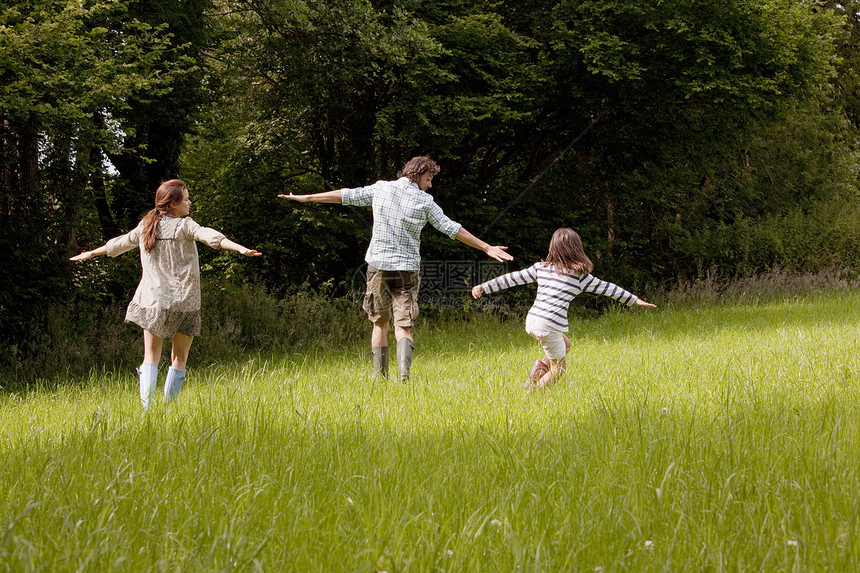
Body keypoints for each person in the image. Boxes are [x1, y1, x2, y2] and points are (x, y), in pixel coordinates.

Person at [279, 155, 513, 380]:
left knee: (379, 324)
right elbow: (452, 229)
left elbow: (345, 196)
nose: (430, 185)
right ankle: (404, 377)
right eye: (429, 179)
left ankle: (381, 380)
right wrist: (485, 247)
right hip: (407, 271)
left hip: (378, 266)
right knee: (404, 326)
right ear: (418, 174)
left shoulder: (381, 188)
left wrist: (307, 198)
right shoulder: (425, 202)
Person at [71, 179, 261, 408]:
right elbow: (210, 236)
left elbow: (119, 244)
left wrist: (91, 253)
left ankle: (147, 409)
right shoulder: (185, 225)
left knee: (150, 357)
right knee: (179, 357)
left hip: (154, 303)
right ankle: (168, 407)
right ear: (173, 203)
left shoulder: (146, 226)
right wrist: (239, 248)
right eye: (187, 198)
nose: (190, 202)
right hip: (186, 304)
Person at [471, 227, 656, 391]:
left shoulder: (541, 268)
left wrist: (484, 287)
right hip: (548, 325)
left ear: (553, 248)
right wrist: (634, 300)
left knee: (566, 344)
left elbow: (512, 278)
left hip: (533, 321)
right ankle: (532, 396)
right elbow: (608, 288)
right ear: (577, 249)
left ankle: (532, 381)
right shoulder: (580, 276)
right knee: (559, 369)